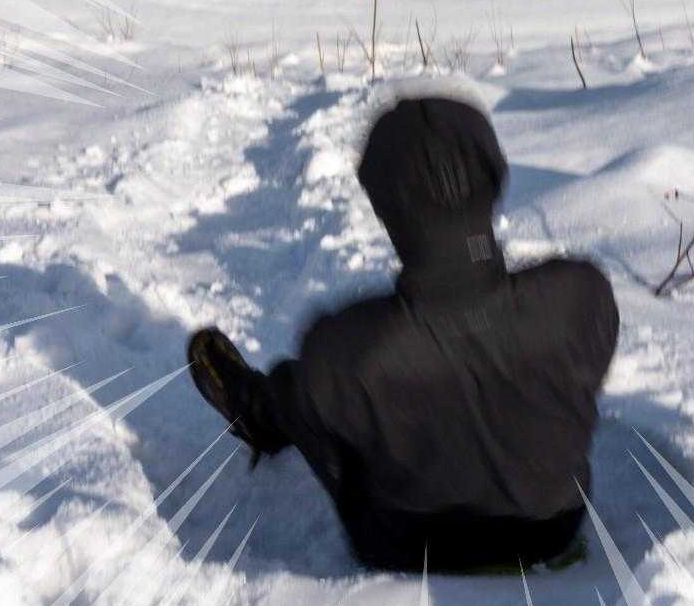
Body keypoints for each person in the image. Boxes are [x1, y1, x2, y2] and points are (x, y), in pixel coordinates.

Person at [187, 93, 619, 574]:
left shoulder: (345, 346)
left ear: (386, 209)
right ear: (494, 179)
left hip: (406, 543)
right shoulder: (582, 294)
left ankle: (258, 412)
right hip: (554, 527)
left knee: (308, 387)